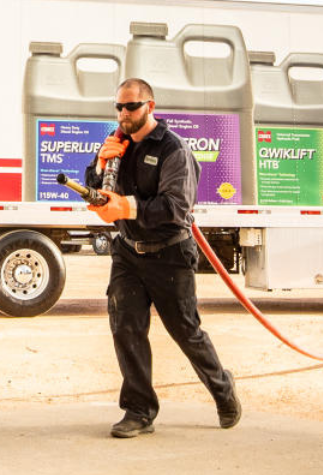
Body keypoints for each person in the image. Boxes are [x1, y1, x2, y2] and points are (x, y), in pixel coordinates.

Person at [83, 77, 240, 439]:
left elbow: (176, 206)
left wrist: (127, 206)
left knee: (185, 331)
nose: (124, 114)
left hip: (170, 253)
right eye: (119, 107)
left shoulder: (173, 149)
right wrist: (98, 165)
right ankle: (139, 411)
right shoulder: (116, 143)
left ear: (150, 107)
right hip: (128, 252)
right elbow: (98, 189)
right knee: (126, 327)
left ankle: (223, 389)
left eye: (131, 107)